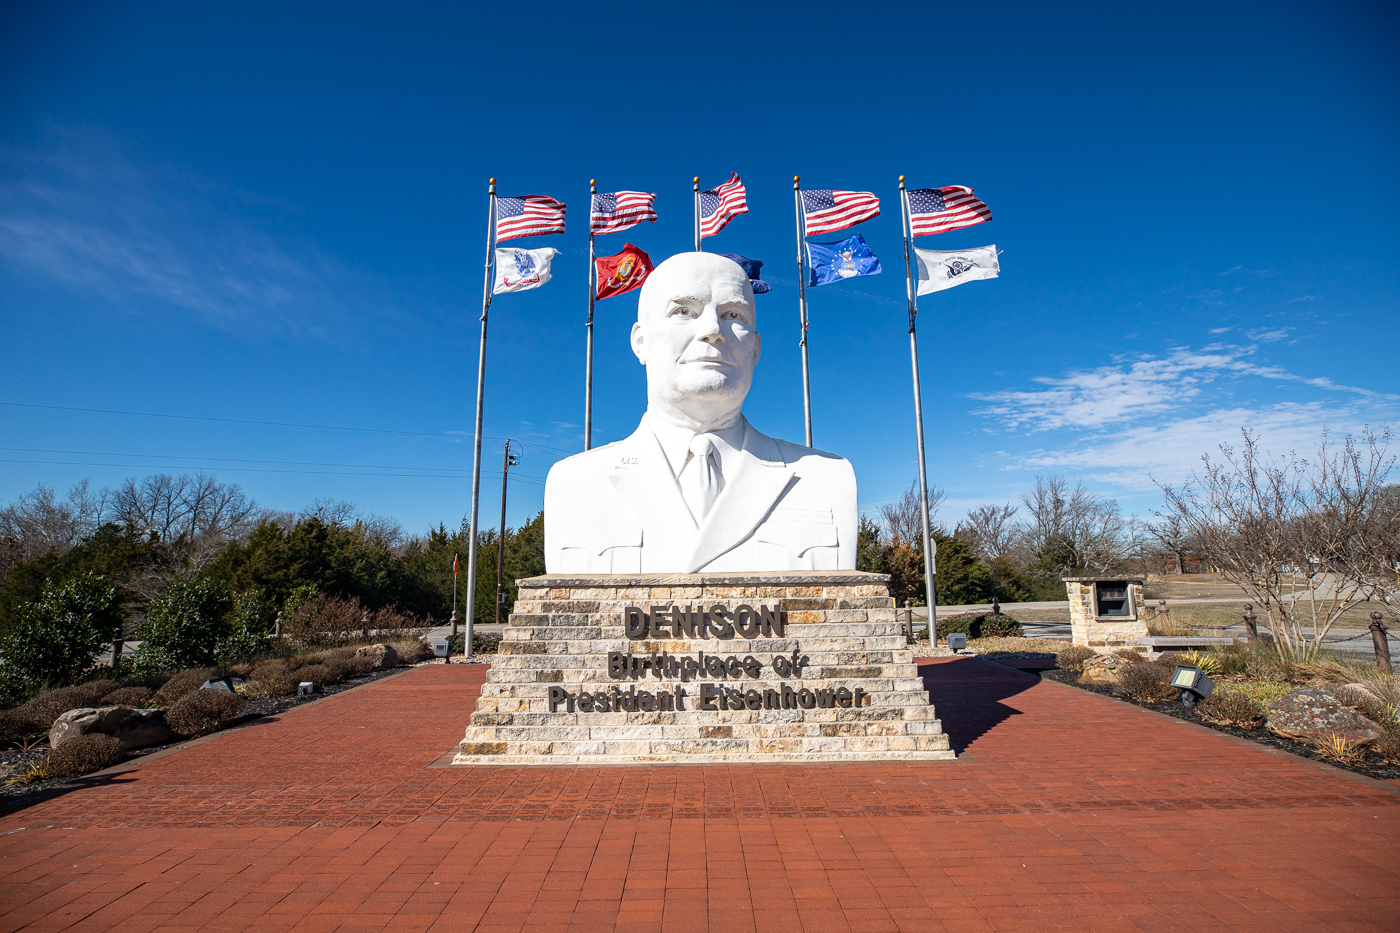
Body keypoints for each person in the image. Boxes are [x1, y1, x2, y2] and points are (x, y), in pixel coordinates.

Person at [544, 252, 857, 573]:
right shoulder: (573, 483)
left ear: (755, 349)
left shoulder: (828, 478)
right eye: (683, 311)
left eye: (734, 314)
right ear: (640, 342)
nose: (712, 329)